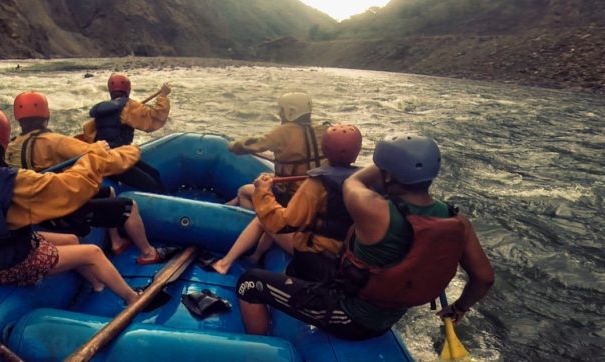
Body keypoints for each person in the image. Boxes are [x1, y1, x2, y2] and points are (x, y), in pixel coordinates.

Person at [0, 108, 170, 310]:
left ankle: (98, 284)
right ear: (3, 141)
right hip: (8, 263)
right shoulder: (15, 181)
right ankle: (133, 299)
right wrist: (96, 155)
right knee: (93, 252)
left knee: (70, 239)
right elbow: (72, 188)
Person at [235, 133, 495, 340]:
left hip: (349, 316)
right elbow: (484, 278)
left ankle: (259, 349)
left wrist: (383, 163)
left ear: (388, 174)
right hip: (388, 317)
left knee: (249, 283)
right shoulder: (456, 220)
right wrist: (459, 308)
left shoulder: (372, 209)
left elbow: (353, 181)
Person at [6, 91, 172, 265]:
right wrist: (131, 150)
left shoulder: (11, 146)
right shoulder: (54, 141)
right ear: (46, 115)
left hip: (32, 207)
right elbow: (95, 156)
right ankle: (148, 253)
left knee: (108, 191)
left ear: (18, 119)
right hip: (59, 209)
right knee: (129, 207)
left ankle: (116, 241)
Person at [212, 124, 366, 278]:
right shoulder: (363, 181)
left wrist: (262, 190)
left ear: (325, 148)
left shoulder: (316, 184)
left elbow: (281, 223)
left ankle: (224, 263)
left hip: (317, 253)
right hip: (342, 253)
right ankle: (255, 257)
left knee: (262, 219)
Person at [225, 92, 328, 210]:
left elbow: (254, 145)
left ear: (291, 111)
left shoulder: (283, 132)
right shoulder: (322, 130)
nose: (279, 113)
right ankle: (229, 205)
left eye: (282, 110)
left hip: (289, 194)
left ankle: (258, 219)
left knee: (243, 191)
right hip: (314, 191)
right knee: (263, 176)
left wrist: (233, 146)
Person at [75, 73, 171, 147]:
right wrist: (163, 95)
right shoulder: (129, 106)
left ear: (110, 90)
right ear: (128, 89)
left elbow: (87, 130)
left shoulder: (103, 108)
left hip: (101, 152)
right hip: (121, 154)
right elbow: (155, 119)